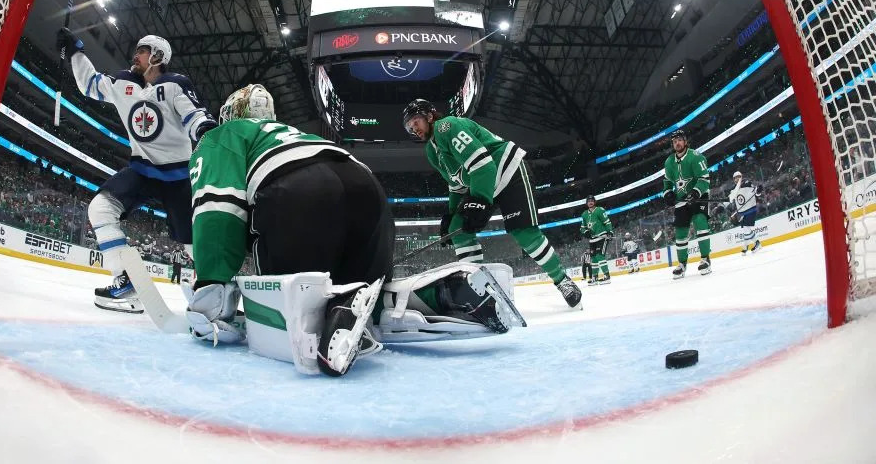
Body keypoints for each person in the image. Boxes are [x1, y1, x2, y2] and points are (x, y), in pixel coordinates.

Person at [186, 84, 395, 376]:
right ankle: (423, 301)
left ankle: (327, 316)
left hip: (300, 187)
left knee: (295, 315)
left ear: (231, 114)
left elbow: (218, 206)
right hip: (368, 188)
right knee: (369, 292)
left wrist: (211, 293)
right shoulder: (293, 134)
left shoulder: (223, 134)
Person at [58, 28, 217, 313]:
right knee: (100, 208)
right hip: (142, 169)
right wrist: (76, 52)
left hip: (179, 175)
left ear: (157, 56)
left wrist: (203, 129)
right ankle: (125, 282)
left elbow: (193, 113)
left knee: (194, 242)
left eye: (142, 50)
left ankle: (213, 294)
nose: (136, 54)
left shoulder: (174, 84)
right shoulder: (122, 82)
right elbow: (89, 84)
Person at [401, 99, 582, 308]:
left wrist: (480, 202)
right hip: (482, 182)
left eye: (416, 122)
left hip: (507, 171)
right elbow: (456, 186)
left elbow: (483, 164)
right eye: (410, 127)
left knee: (523, 232)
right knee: (457, 229)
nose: (414, 129)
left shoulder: (446, 126)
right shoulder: (432, 151)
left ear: (430, 116)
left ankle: (562, 280)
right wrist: (452, 215)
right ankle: (478, 289)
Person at [663, 129, 712, 279]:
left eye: (679, 139)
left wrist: (696, 192)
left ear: (685, 141)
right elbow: (667, 182)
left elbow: (704, 179)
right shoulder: (669, 161)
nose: (677, 142)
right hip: (681, 200)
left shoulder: (696, 157)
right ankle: (682, 264)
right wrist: (668, 193)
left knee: (700, 221)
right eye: (674, 141)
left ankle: (706, 259)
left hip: (698, 196)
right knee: (680, 232)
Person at [580, 195, 613, 283]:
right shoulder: (584, 214)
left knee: (599, 255)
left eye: (592, 200)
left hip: (602, 236)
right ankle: (595, 277)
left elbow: (607, 222)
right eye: (588, 201)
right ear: (586, 203)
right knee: (593, 258)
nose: (590, 202)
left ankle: (607, 276)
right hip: (592, 240)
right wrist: (586, 232)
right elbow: (582, 228)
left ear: (594, 202)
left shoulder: (600, 210)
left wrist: (609, 232)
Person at [729, 170, 763, 255]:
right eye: (735, 178)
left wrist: (758, 190)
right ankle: (746, 246)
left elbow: (756, 193)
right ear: (734, 179)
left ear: (741, 177)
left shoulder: (747, 183)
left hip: (751, 208)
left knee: (746, 228)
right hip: (742, 211)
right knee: (745, 229)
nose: (737, 179)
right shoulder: (733, 189)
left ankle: (756, 243)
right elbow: (731, 199)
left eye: (738, 177)